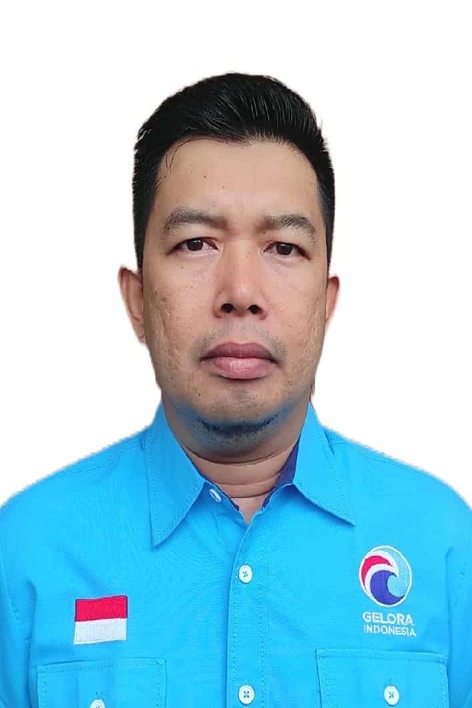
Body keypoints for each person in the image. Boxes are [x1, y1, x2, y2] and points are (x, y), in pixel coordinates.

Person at [0, 72, 470, 707]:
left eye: (283, 247)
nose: (241, 292)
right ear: (137, 300)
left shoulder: (443, 543)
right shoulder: (24, 552)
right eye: (196, 243)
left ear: (326, 302)